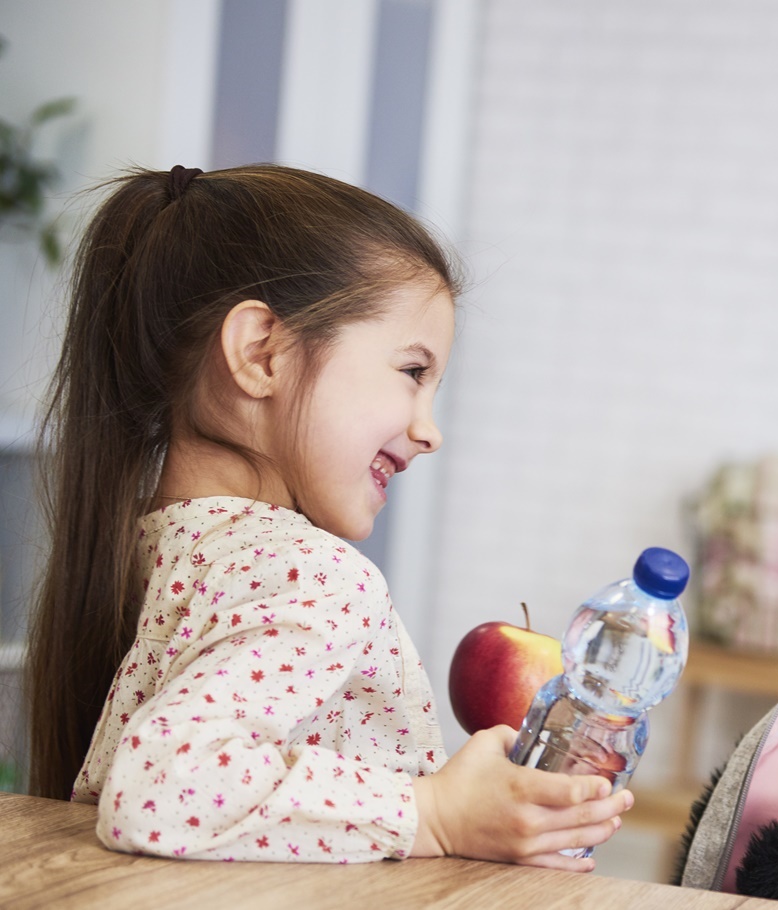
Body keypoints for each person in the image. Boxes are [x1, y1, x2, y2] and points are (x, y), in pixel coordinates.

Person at [25, 164, 632, 868]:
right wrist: (434, 813)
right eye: (412, 372)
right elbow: (162, 786)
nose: (430, 429)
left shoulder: (148, 550)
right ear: (262, 354)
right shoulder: (312, 574)